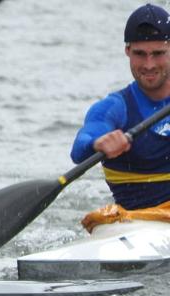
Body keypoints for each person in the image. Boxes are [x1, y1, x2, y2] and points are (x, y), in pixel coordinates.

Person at [70, 3, 170, 230]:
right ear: (127, 51)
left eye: (158, 53)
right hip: (137, 227)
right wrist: (98, 143)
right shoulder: (115, 108)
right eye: (140, 54)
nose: (149, 64)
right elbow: (79, 148)